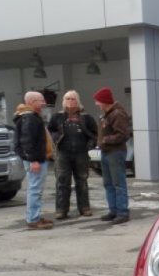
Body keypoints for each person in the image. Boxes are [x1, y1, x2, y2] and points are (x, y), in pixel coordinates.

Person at [48, 90, 98, 219]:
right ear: (64, 101)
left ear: (78, 100)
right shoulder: (57, 117)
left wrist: (90, 145)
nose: (70, 101)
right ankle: (61, 210)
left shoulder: (86, 117)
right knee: (62, 181)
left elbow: (94, 133)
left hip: (81, 153)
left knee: (82, 181)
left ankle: (84, 208)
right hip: (62, 153)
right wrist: (55, 139)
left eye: (73, 98)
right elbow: (49, 132)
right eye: (68, 98)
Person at [14, 92, 53, 230]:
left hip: (36, 158)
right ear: (31, 102)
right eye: (41, 100)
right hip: (35, 159)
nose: (44, 103)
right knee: (35, 189)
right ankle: (33, 219)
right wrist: (33, 160)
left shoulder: (29, 116)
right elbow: (27, 141)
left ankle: (34, 216)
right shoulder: (29, 118)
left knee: (35, 189)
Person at [93, 87, 131, 224]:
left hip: (115, 152)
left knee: (118, 183)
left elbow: (123, 134)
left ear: (105, 101)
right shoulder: (106, 114)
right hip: (106, 152)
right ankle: (113, 210)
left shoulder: (117, 114)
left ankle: (122, 212)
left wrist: (105, 140)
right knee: (108, 183)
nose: (97, 104)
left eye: (98, 101)